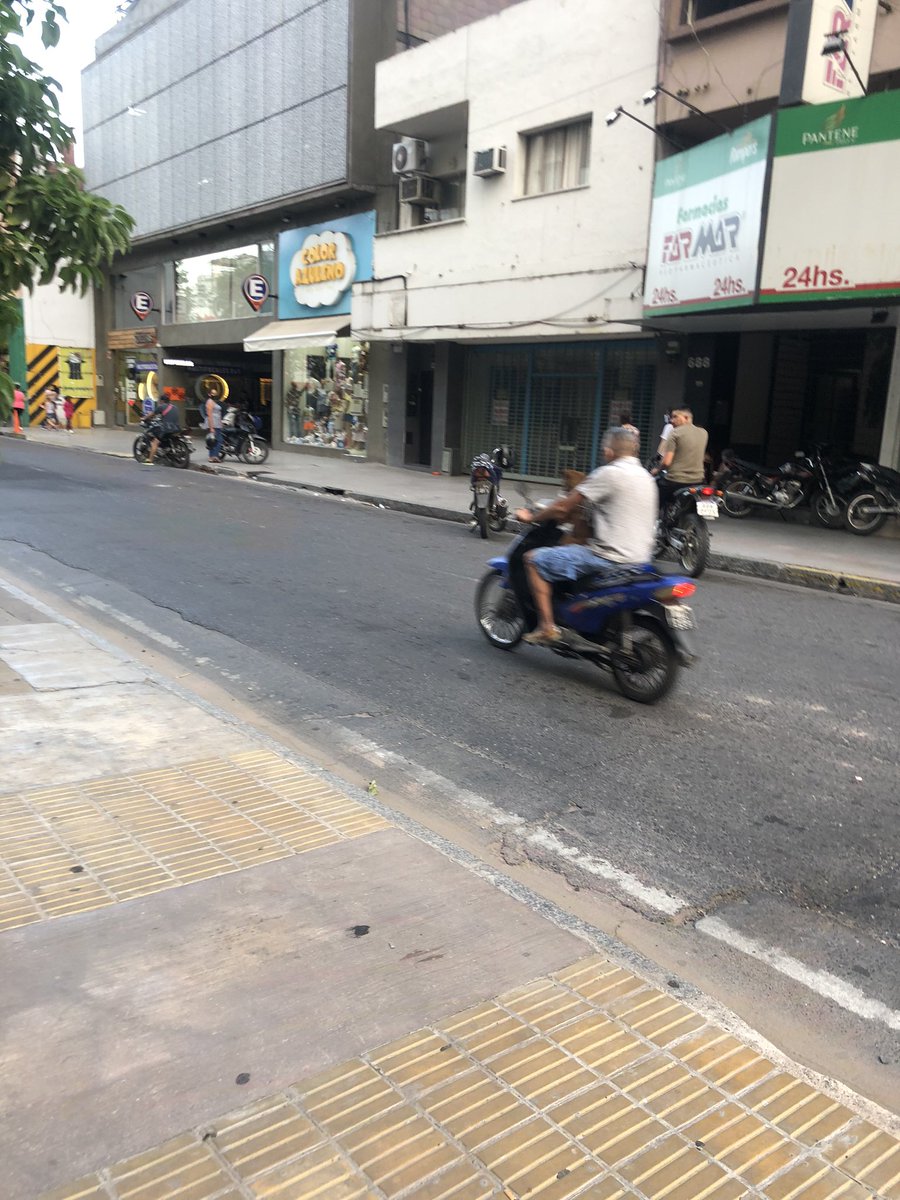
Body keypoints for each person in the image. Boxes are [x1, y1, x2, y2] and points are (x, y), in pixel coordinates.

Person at [514, 427, 658, 645]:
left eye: (603, 450)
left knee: (532, 560)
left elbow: (562, 508)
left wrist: (531, 517)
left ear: (608, 451)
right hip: (641, 559)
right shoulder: (647, 477)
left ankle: (547, 627)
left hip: (609, 558)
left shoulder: (608, 473)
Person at [656, 407, 708, 509]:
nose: (671, 420)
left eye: (675, 417)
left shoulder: (675, 433)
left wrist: (657, 470)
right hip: (698, 480)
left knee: (657, 502)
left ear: (686, 418)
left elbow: (666, 462)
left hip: (676, 480)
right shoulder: (704, 433)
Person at [142, 395, 181, 465]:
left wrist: (144, 418)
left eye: (159, 401)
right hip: (177, 428)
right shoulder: (175, 407)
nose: (159, 402)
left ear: (162, 401)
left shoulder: (161, 407)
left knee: (155, 442)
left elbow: (151, 414)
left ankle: (150, 460)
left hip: (167, 429)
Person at [205, 389, 223, 463]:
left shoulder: (214, 402)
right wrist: (211, 427)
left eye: (215, 393)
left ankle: (212, 456)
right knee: (217, 440)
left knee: (214, 441)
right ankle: (213, 456)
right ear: (209, 394)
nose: (214, 395)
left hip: (217, 424)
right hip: (213, 424)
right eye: (212, 393)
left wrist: (220, 422)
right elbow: (209, 415)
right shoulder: (209, 402)